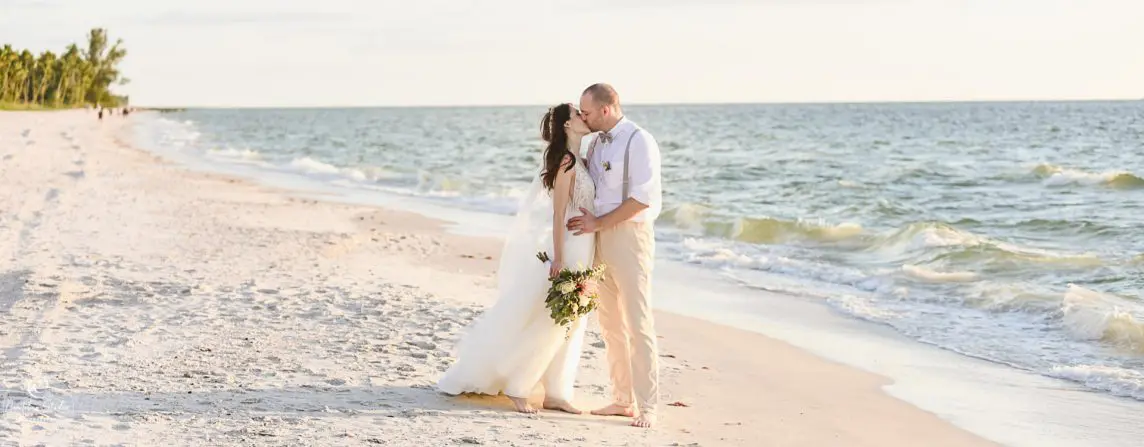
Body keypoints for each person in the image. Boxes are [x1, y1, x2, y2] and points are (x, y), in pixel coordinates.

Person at [437, 103, 596, 415]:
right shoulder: (566, 161)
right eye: (577, 113)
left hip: (585, 245)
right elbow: (559, 213)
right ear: (567, 125)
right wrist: (559, 258)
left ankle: (556, 393)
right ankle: (518, 386)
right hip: (570, 246)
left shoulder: (581, 160)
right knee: (553, 321)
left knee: (571, 322)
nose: (583, 116)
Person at [567, 83, 663, 428]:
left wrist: (600, 223)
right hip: (599, 237)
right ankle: (623, 400)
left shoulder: (640, 140)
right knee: (609, 322)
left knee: (637, 321)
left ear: (605, 109)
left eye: (587, 112)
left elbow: (643, 198)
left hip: (630, 236)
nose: (584, 117)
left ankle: (648, 405)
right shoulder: (594, 143)